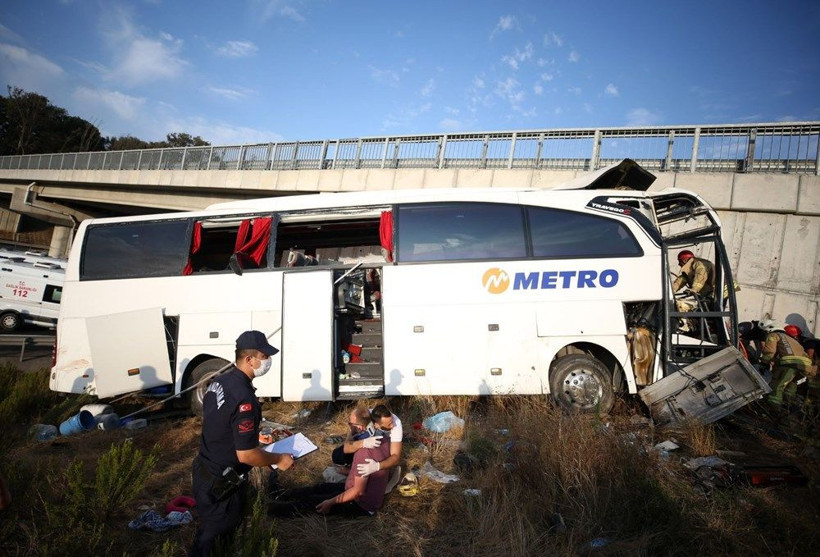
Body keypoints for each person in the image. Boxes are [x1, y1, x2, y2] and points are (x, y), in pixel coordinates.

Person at [190, 330, 295, 557]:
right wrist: (278, 459)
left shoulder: (219, 382)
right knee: (210, 543)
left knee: (213, 539)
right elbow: (246, 455)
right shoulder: (245, 398)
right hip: (222, 486)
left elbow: (220, 422)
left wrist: (253, 441)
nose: (267, 361)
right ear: (249, 359)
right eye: (264, 356)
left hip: (205, 472)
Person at [269, 428, 391, 517]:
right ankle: (281, 494)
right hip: (353, 488)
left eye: (353, 426)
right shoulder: (382, 441)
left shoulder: (364, 454)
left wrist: (330, 502)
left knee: (312, 502)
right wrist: (349, 472)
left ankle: (273, 510)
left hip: (360, 505)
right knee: (320, 488)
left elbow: (357, 492)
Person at [758, 319, 813, 411]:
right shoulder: (791, 339)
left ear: (769, 329)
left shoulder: (773, 335)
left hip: (791, 365)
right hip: (806, 367)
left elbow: (770, 351)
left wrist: (764, 363)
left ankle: (773, 409)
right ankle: (789, 406)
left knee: (776, 385)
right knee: (790, 384)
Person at [357, 403, 403, 478]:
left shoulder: (397, 423)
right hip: (366, 439)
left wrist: (377, 466)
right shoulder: (365, 416)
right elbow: (352, 435)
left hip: (386, 442)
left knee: (383, 456)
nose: (392, 425)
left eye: (392, 421)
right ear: (377, 425)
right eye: (389, 424)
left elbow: (395, 457)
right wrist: (363, 443)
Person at [331, 407, 381, 472]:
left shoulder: (367, 438)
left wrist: (348, 471)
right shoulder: (372, 419)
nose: (351, 425)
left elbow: (346, 448)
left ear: (360, 427)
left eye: (351, 424)